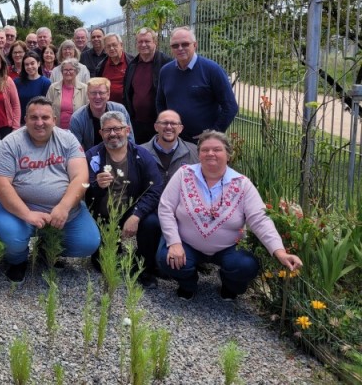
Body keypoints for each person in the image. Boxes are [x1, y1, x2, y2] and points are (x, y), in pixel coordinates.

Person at [156, 130, 303, 300]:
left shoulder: (242, 184)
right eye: (205, 150)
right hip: (186, 244)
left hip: (227, 248)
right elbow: (165, 208)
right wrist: (174, 242)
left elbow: (260, 219)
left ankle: (229, 286)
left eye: (217, 149)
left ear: (228, 155)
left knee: (246, 266)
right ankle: (188, 284)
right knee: (167, 259)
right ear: (199, 154)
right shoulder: (184, 174)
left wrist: (280, 252)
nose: (210, 153)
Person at [0, 97, 101, 283]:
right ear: (25, 119)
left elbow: (81, 178)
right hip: (19, 210)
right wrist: (27, 214)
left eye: (45, 117)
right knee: (13, 238)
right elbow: (1, 185)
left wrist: (64, 207)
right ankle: (18, 260)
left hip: (64, 211)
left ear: (54, 120)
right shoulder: (10, 143)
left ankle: (46, 247)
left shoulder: (68, 139)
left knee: (88, 243)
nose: (39, 122)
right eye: (34, 117)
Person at [85, 112, 163, 288]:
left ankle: (143, 266)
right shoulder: (93, 155)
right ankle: (114, 248)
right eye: (107, 130)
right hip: (103, 215)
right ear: (101, 133)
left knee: (152, 223)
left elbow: (155, 189)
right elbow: (83, 188)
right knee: (100, 264)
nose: (113, 134)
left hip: (130, 211)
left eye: (117, 129)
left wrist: (136, 215)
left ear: (127, 130)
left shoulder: (141, 155)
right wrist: (96, 185)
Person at [157, 27, 239, 143]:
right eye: (175, 45)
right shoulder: (165, 71)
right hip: (174, 142)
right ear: (171, 49)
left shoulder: (212, 70)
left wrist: (213, 134)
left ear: (195, 45)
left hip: (202, 144)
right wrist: (166, 126)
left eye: (185, 44)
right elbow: (160, 102)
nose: (180, 48)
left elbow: (231, 107)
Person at [123, 28, 173, 144]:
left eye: (147, 41)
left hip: (158, 123)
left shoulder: (166, 63)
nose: (143, 44)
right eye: (140, 42)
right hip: (136, 124)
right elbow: (127, 93)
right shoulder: (132, 65)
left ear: (155, 42)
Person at [70, 77, 134, 151]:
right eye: (93, 93)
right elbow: (75, 149)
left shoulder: (120, 110)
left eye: (101, 93)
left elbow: (130, 139)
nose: (97, 97)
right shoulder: (77, 118)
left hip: (119, 154)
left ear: (108, 94)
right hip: (91, 158)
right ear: (88, 94)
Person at [140, 110, 199, 187]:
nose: (168, 127)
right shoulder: (139, 152)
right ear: (156, 127)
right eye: (164, 123)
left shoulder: (194, 151)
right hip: (150, 198)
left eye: (173, 123)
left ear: (180, 128)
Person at [45, 59, 88, 130]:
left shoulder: (85, 88)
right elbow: (47, 108)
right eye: (65, 70)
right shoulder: (53, 87)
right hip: (56, 128)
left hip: (77, 129)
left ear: (76, 72)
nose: (68, 72)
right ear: (62, 72)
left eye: (71, 69)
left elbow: (87, 111)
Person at [14, 51, 51, 125]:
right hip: (20, 122)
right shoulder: (17, 82)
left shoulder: (46, 83)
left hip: (38, 122)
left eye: (32, 63)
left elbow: (47, 105)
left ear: (38, 64)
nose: (29, 67)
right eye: (26, 64)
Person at [93, 33, 132, 104]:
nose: (111, 48)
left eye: (114, 45)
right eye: (108, 46)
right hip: (107, 106)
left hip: (127, 106)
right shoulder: (101, 66)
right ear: (105, 49)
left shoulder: (132, 62)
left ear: (121, 45)